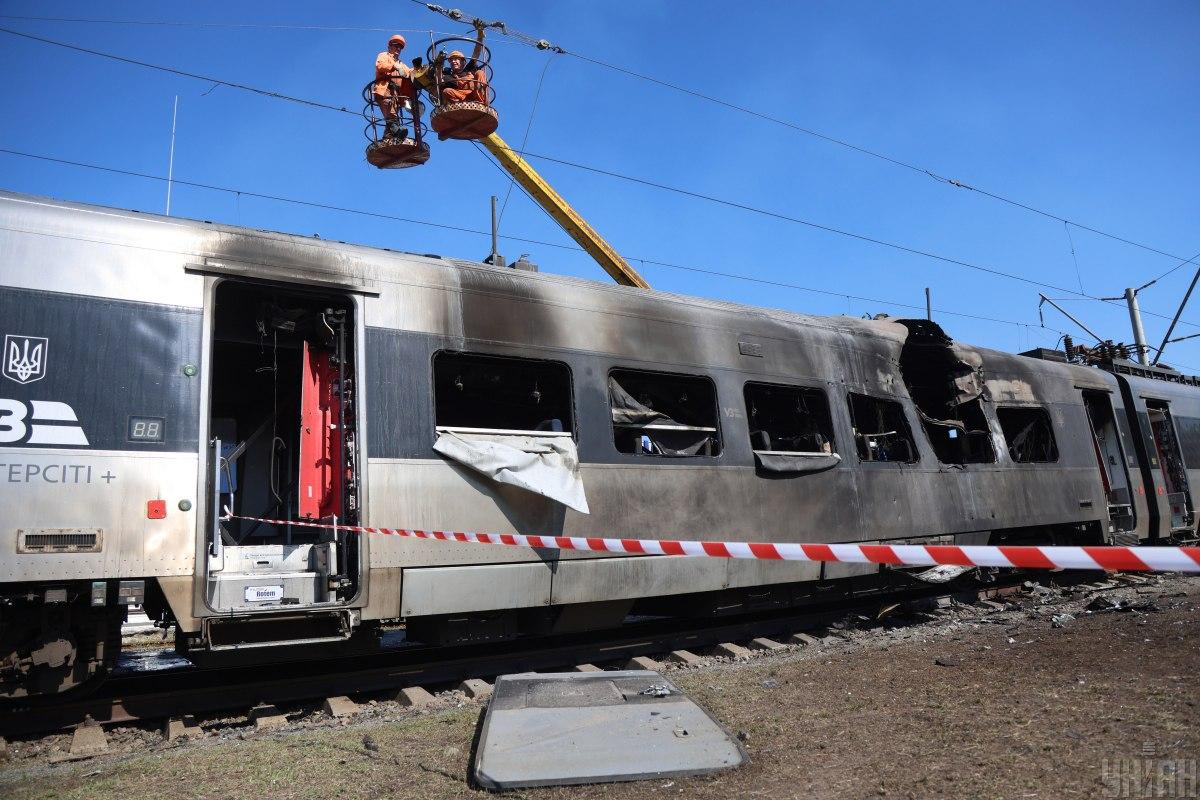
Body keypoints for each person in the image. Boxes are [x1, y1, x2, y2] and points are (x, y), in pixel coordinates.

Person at [374, 34, 414, 140]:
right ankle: (397, 132)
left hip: (396, 95)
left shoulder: (401, 64)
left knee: (392, 115)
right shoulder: (384, 56)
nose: (398, 49)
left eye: (400, 47)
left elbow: (409, 73)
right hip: (384, 90)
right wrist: (393, 66)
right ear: (390, 46)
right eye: (396, 46)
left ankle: (388, 137)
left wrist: (419, 69)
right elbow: (380, 66)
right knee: (391, 114)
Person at [440, 22, 488, 105]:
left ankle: (480, 99)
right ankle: (461, 104)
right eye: (451, 60)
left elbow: (476, 52)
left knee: (480, 73)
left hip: (475, 93)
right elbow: (439, 80)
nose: (453, 61)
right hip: (461, 97)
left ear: (463, 62)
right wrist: (438, 64)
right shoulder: (449, 76)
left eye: (456, 59)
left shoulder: (469, 68)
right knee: (446, 91)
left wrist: (480, 35)